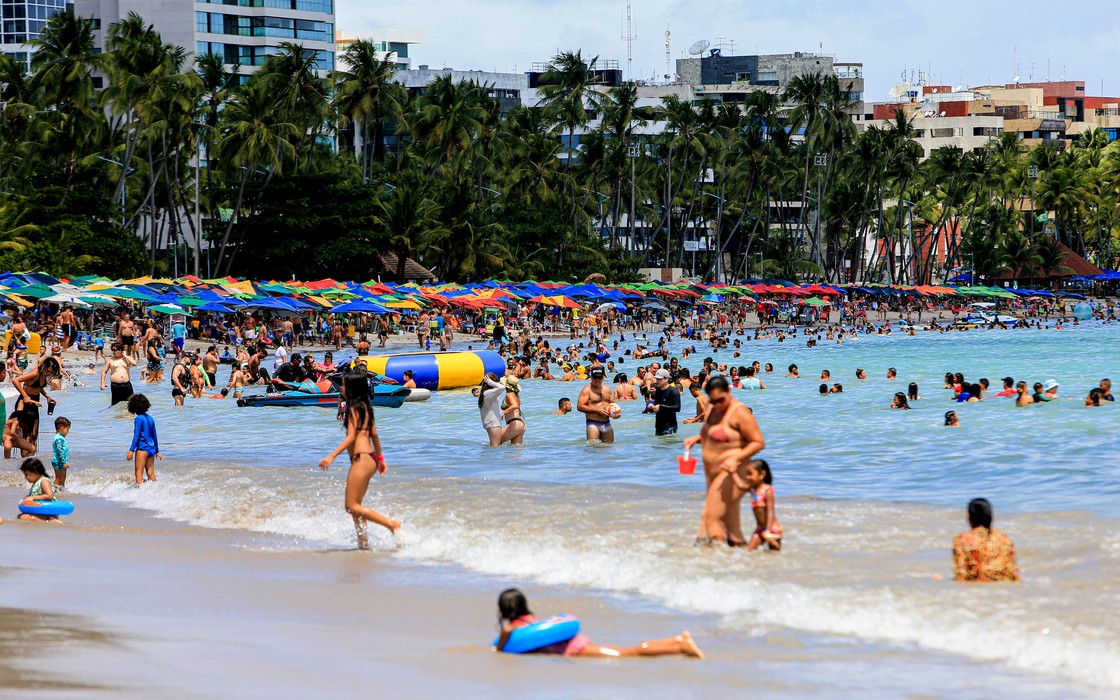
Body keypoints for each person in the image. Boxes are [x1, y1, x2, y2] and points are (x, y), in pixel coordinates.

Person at [495, 589, 703, 659]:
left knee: (627, 654)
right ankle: (678, 644)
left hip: (573, 649)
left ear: (504, 610)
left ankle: (679, 644)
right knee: (627, 653)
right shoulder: (531, 622)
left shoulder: (510, 629)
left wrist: (499, 644)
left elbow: (501, 650)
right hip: (575, 642)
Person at [318, 372, 400, 548]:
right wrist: (380, 459)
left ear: (353, 388)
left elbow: (352, 437)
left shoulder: (354, 407)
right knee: (357, 506)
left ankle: (390, 524)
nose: (342, 388)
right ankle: (363, 543)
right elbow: (375, 435)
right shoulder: (365, 407)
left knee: (350, 506)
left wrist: (331, 456)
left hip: (361, 458)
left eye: (345, 385)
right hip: (369, 458)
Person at [683, 376, 765, 546]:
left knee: (711, 517)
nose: (718, 403)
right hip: (712, 472)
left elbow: (758, 442)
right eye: (714, 400)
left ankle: (713, 562)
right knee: (731, 525)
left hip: (732, 471)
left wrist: (736, 458)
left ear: (728, 392)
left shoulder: (739, 412)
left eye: (721, 399)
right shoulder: (714, 409)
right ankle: (743, 559)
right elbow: (714, 434)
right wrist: (696, 439)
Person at [952, 498, 1021, 582]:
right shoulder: (1004, 539)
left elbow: (961, 576)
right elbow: (1013, 573)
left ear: (970, 517)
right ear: (990, 516)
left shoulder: (962, 540)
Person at [13, 356, 61, 449]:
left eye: (51, 372)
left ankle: (31, 457)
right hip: (25, 402)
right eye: (48, 371)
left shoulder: (44, 374)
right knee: (27, 434)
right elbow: (16, 381)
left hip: (35, 402)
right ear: (44, 366)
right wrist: (25, 396)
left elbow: (38, 387)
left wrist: (47, 397)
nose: (49, 373)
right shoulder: (35, 373)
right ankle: (26, 460)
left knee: (34, 434)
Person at [742, 460, 781, 551]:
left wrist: (767, 531)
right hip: (760, 529)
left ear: (762, 474)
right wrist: (732, 473)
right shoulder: (753, 490)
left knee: (775, 554)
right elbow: (740, 486)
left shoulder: (767, 490)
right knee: (749, 551)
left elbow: (770, 511)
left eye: (750, 474)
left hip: (771, 528)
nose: (747, 477)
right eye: (746, 474)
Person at [126, 394, 162, 487]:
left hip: (143, 449)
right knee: (151, 474)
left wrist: (131, 450)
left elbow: (136, 436)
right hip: (151, 449)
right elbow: (155, 436)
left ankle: (139, 495)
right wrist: (157, 451)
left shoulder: (139, 419)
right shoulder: (150, 418)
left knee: (138, 473)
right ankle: (155, 491)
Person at [17, 457, 62, 523]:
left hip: (47, 512)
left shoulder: (44, 481)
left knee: (23, 517)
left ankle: (51, 521)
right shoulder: (37, 482)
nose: (25, 477)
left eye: (26, 474)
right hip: (41, 511)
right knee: (19, 516)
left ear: (35, 472)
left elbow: (50, 496)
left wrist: (32, 497)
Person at [577, 367, 615, 443]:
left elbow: (612, 404)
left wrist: (615, 414)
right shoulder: (587, 389)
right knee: (593, 448)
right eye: (595, 377)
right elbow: (580, 406)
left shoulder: (607, 389)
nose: (597, 380)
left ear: (603, 378)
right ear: (591, 377)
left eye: (599, 377)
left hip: (607, 422)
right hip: (593, 423)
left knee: (609, 447)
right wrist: (597, 410)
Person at [477, 373, 507, 446]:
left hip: (492, 423)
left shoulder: (486, 394)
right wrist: (491, 382)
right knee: (496, 446)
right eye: (496, 382)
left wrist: (502, 413)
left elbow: (494, 407)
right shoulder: (487, 393)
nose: (496, 384)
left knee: (496, 445)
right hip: (493, 423)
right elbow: (502, 387)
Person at [649, 369, 681, 436]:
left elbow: (677, 408)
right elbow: (657, 407)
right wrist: (652, 407)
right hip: (658, 427)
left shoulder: (673, 391)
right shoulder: (658, 391)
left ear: (666, 379)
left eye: (659, 379)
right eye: (656, 379)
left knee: (668, 446)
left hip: (670, 427)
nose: (657, 381)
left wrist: (661, 407)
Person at [500, 376, 526, 445]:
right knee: (515, 451)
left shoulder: (509, 394)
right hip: (520, 424)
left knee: (496, 442)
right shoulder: (516, 395)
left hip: (514, 424)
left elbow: (515, 406)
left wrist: (503, 412)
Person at [51, 417, 71, 488]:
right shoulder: (58, 439)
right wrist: (64, 462)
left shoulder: (60, 437)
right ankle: (51, 491)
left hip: (61, 461)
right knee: (59, 478)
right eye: (67, 429)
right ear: (62, 428)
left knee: (63, 478)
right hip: (58, 461)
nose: (68, 432)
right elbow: (60, 451)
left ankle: (61, 490)